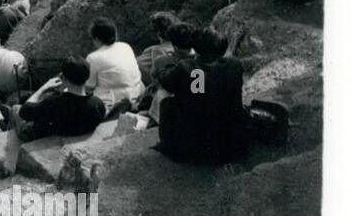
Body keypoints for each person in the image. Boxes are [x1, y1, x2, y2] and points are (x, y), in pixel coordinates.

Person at [157, 28, 247, 163]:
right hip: (229, 143)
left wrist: (166, 63)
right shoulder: (234, 65)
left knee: (163, 95)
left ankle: (168, 139)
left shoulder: (188, 68)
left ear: (197, 47)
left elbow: (166, 81)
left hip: (193, 147)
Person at [4, 57, 107, 141]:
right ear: (87, 76)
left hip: (42, 135)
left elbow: (24, 112)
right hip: (71, 129)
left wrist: (44, 87)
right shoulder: (97, 103)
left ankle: (8, 123)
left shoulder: (55, 103)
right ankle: (8, 120)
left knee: (15, 108)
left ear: (64, 78)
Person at [85, 18, 144, 108]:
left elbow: (89, 86)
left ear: (96, 39)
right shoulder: (126, 46)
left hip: (114, 103)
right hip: (137, 95)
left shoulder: (93, 57)